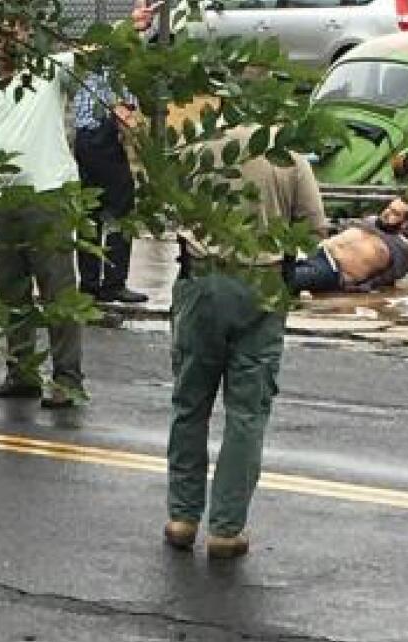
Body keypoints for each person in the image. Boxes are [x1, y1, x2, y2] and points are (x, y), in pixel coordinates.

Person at [0, 7, 158, 407]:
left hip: (46, 195)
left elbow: (95, 51)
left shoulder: (47, 72)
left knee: (57, 293)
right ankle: (21, 372)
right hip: (2, 201)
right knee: (11, 292)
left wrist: (128, 26)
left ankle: (67, 378)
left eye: (13, 34)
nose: (6, 43)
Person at [164, 126, 327, 559]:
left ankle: (182, 517)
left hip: (202, 280)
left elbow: (170, 215)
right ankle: (226, 527)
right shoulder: (289, 156)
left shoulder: (196, 148)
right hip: (263, 285)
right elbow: (313, 230)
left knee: (189, 403)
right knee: (246, 412)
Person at [72, 70, 149, 304]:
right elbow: (124, 114)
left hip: (83, 142)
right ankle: (114, 283)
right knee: (121, 212)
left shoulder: (83, 72)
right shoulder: (116, 73)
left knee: (90, 212)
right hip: (105, 141)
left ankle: (89, 283)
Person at [291, 197, 408, 293]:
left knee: (285, 280)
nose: (387, 213)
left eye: (395, 213)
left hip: (332, 270)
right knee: (276, 263)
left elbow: (390, 276)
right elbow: (341, 226)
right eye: (389, 208)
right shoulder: (370, 221)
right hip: (317, 249)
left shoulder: (401, 248)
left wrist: (365, 286)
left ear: (404, 224)